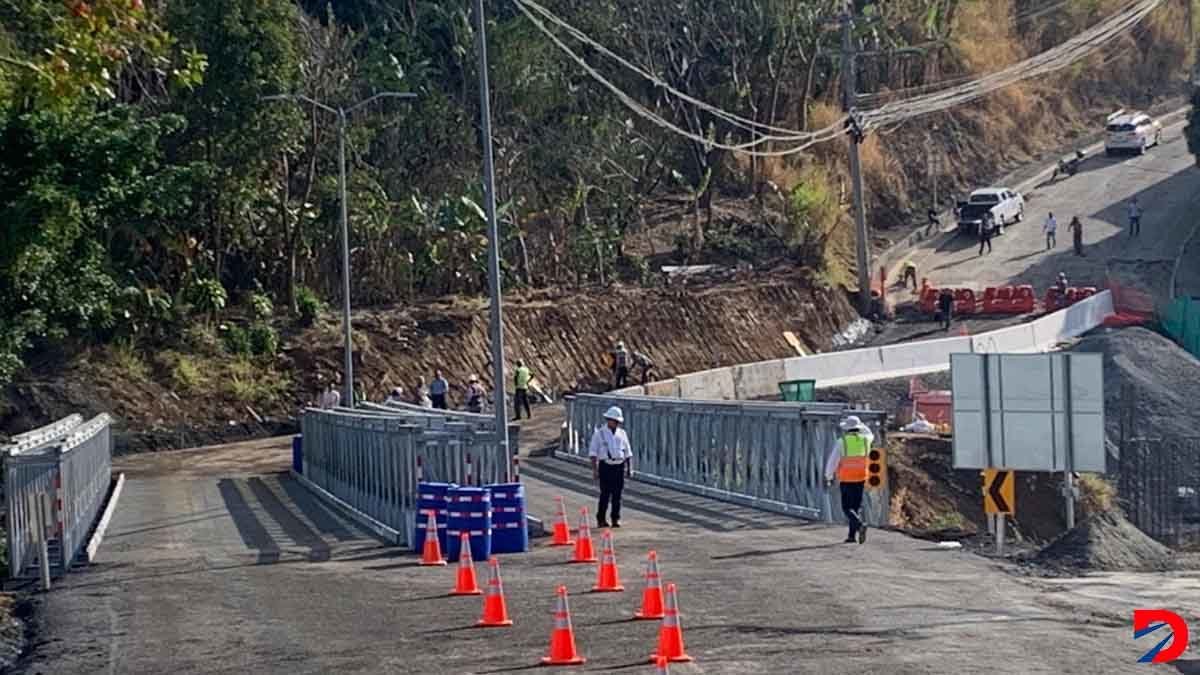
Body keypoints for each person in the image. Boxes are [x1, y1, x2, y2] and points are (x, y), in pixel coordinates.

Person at [824, 415, 876, 544]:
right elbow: (869, 432)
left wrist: (828, 476)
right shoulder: (866, 440)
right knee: (855, 507)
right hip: (861, 476)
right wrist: (860, 424)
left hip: (847, 478)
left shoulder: (842, 442)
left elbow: (833, 461)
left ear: (846, 429)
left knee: (847, 508)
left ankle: (859, 525)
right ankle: (851, 536)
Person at [588, 406, 632, 528]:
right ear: (608, 420)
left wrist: (629, 468)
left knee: (617, 495)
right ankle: (601, 518)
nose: (616, 423)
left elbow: (628, 452)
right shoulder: (599, 434)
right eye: (614, 421)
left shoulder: (622, 434)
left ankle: (615, 518)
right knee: (605, 494)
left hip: (619, 466)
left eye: (617, 422)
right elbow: (593, 453)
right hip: (605, 466)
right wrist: (595, 470)